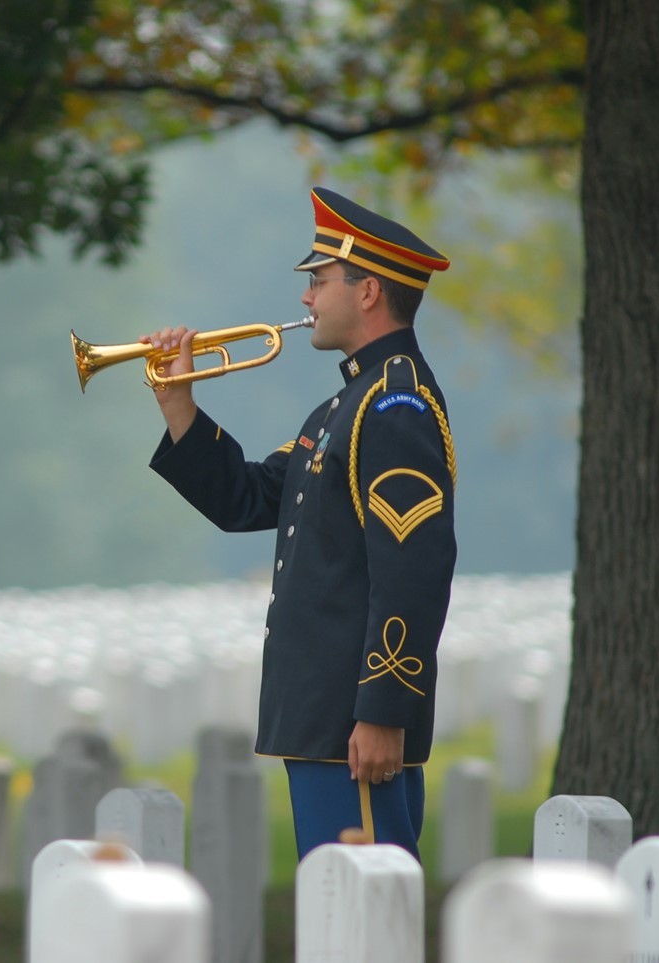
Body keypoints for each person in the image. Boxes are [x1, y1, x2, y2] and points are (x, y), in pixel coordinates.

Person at [141, 187, 457, 861]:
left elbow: (413, 571)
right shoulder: (344, 406)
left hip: (355, 726)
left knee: (365, 923)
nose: (307, 299)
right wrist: (178, 404)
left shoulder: (393, 405)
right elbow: (248, 500)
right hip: (322, 724)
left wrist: (383, 709)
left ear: (367, 290)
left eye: (318, 280)